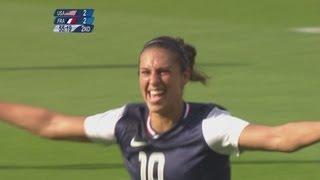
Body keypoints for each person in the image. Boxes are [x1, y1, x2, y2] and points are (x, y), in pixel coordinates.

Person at [0, 36, 320, 180]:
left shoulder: (209, 126)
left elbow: (280, 138)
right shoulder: (126, 121)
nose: (154, 81)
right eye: (146, 72)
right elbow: (51, 124)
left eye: (164, 71)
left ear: (184, 76)